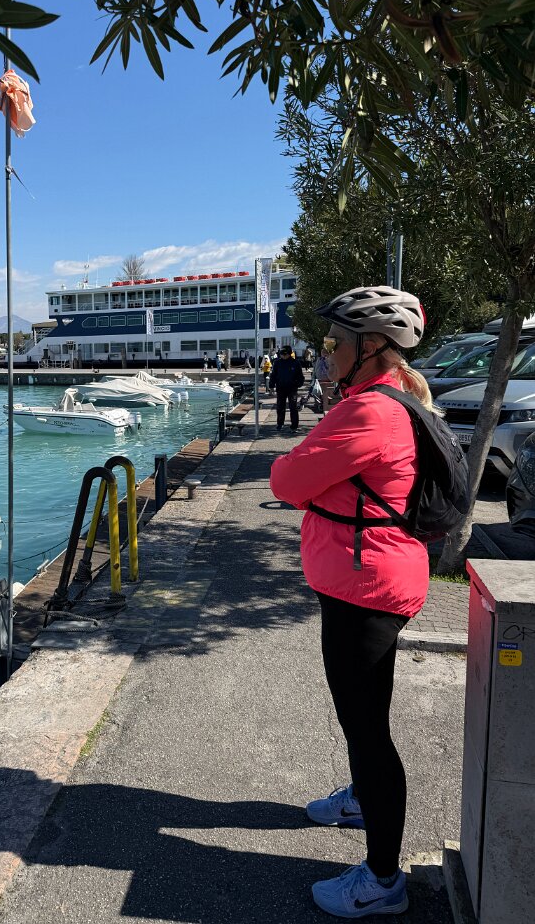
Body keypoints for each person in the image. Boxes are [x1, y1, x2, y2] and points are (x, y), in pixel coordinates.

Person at [269, 285, 429, 918]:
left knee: (367, 731)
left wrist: (309, 480)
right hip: (368, 580)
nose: (326, 350)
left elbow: (287, 480)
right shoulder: (388, 399)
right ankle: (363, 800)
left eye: (336, 341)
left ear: (373, 347)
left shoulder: (369, 412)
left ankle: (383, 880)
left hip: (364, 589)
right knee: (364, 718)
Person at [269, 345, 304, 432]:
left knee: (293, 407)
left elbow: (300, 376)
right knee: (280, 407)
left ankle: (294, 426)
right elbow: (273, 375)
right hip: (280, 388)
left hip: (292, 389)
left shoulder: (295, 363)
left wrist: (298, 384)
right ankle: (280, 424)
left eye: (285, 354)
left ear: (289, 354)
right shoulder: (277, 363)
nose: (283, 356)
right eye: (282, 354)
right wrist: (271, 386)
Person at [314, 346, 334, 416]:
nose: (322, 354)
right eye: (322, 352)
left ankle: (323, 406)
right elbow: (316, 369)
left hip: (328, 380)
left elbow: (330, 368)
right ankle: (320, 405)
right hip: (320, 379)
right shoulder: (319, 359)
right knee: (319, 393)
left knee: (326, 394)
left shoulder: (329, 359)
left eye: (324, 352)